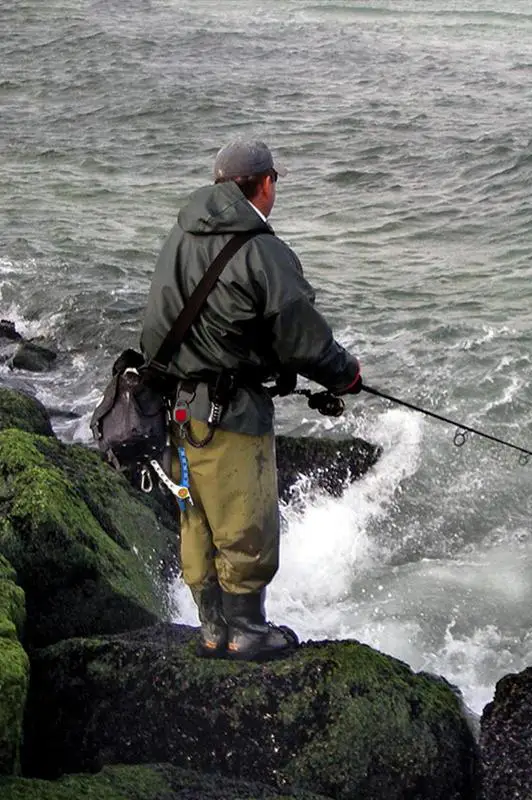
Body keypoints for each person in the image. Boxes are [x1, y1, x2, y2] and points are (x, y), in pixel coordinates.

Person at [140, 139, 362, 661]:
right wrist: (346, 376)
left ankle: (212, 629)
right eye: (274, 182)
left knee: (196, 518)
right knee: (246, 520)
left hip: (177, 409)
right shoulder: (262, 250)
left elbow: (162, 323)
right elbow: (303, 338)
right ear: (265, 184)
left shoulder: (180, 235)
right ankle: (245, 630)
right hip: (229, 414)